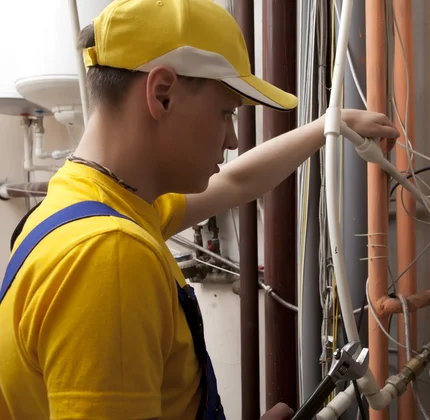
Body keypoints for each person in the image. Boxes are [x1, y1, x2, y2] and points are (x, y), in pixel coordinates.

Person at [0, 0, 399, 419]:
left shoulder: (86, 202)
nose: (233, 139)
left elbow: (234, 182)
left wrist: (326, 127)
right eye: (225, 112)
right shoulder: (109, 254)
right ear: (162, 95)